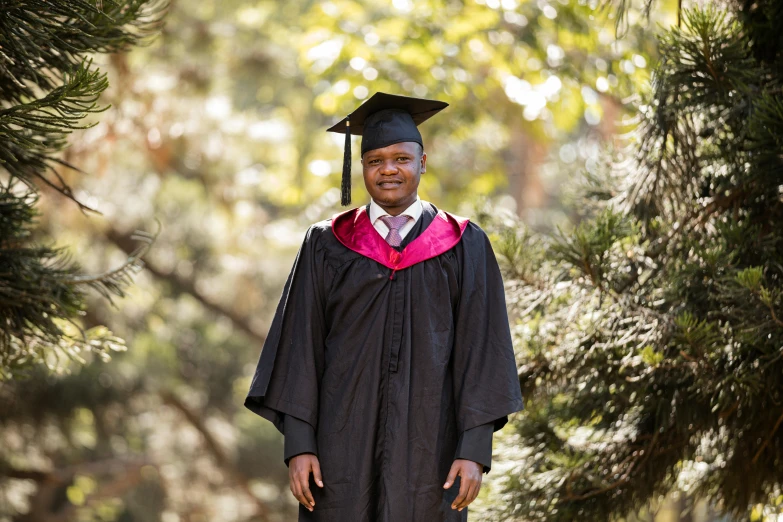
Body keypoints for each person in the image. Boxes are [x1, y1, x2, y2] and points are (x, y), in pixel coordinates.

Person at [244, 92, 524, 521]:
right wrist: (299, 445)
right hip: (340, 448)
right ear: (362, 169)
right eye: (375, 160)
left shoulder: (464, 243)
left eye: (401, 158)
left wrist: (474, 450)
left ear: (422, 162)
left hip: (431, 450)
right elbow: (299, 345)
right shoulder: (327, 243)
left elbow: (483, 352)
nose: (388, 169)